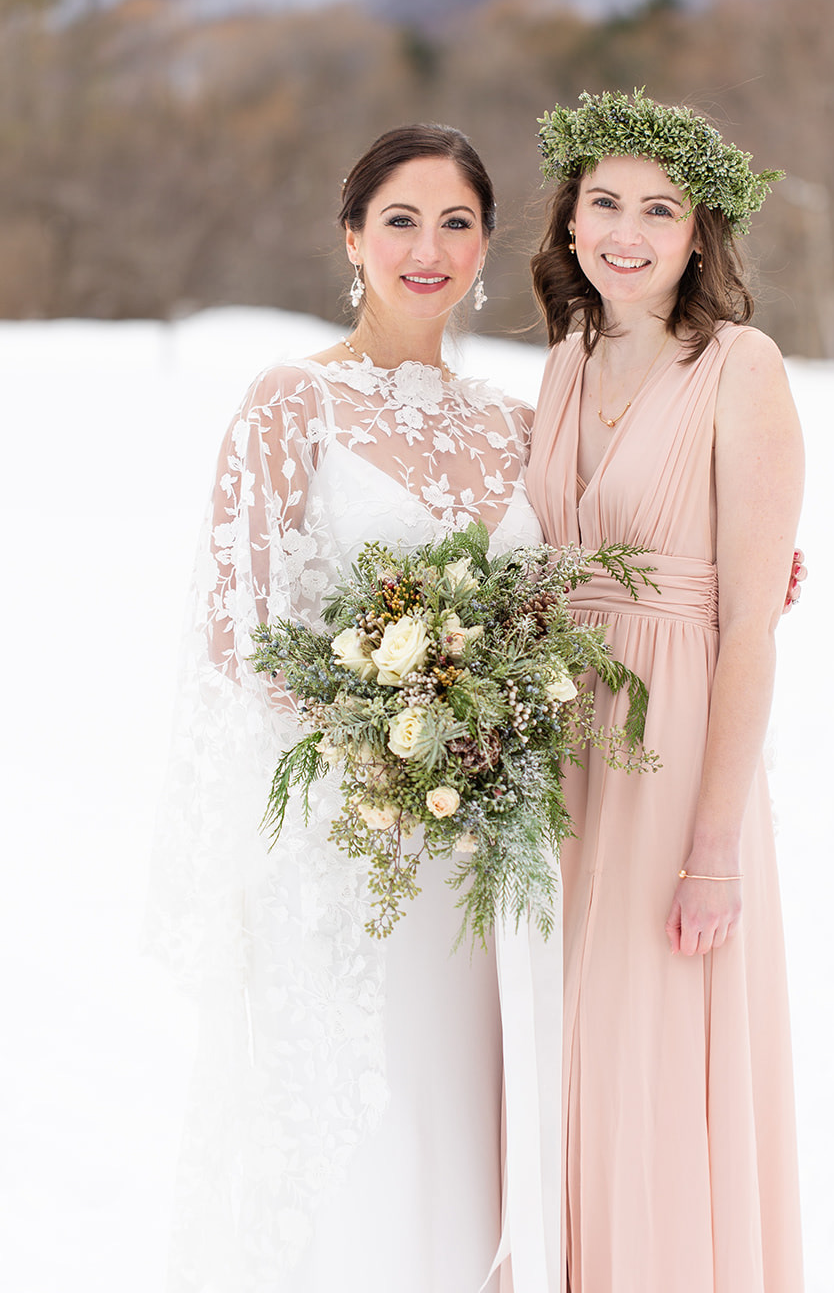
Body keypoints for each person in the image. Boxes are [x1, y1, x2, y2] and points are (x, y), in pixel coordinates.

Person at [147, 124, 560, 1293]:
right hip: (350, 840)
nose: (427, 249)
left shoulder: (519, 426)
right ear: (351, 236)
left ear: (485, 247)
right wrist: (376, 715)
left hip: (488, 850)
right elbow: (237, 630)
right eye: (399, 220)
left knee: (473, 1124)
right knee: (364, 1127)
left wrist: (743, 572)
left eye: (456, 222)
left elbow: (580, 596)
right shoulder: (293, 404)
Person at [525, 90, 806, 1293]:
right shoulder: (559, 365)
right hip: (556, 747)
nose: (625, 232)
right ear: (569, 219)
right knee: (566, 1047)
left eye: (658, 208)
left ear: (700, 235)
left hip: (675, 749)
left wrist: (713, 846)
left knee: (652, 1053)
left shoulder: (741, 367)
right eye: (604, 203)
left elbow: (749, 627)